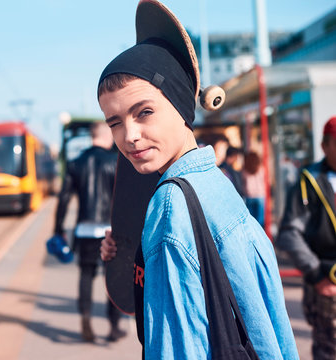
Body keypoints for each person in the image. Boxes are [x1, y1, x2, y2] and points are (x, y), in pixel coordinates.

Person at [97, 1, 298, 358]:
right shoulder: (217, 184)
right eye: (115, 122)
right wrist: (134, 251)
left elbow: (176, 345)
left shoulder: (170, 206)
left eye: (144, 112)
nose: (129, 135)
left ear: (180, 105)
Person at [53, 121, 125, 342]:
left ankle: (85, 319)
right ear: (107, 136)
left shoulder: (75, 163)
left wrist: (58, 228)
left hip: (84, 229)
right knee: (112, 277)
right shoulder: (115, 161)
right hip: (111, 231)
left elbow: (63, 198)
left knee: (86, 275)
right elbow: (124, 198)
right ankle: (114, 326)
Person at [276, 116, 336, 360]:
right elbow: (289, 233)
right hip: (327, 286)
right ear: (325, 145)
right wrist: (317, 275)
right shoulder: (308, 180)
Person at [243, 151, 266, 227]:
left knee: (251, 221)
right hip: (260, 195)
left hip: (249, 196)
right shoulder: (261, 169)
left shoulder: (245, 170)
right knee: (260, 221)